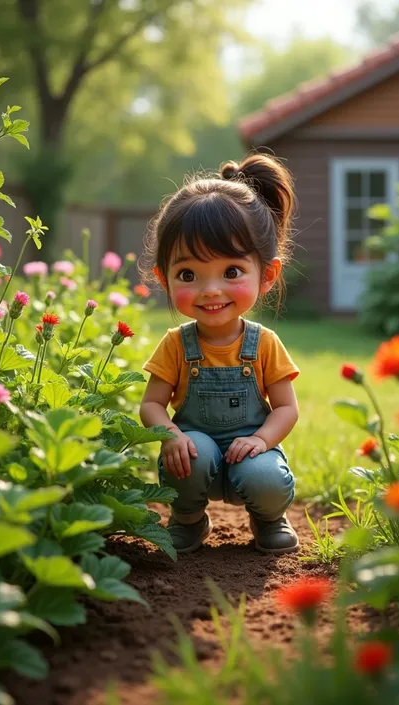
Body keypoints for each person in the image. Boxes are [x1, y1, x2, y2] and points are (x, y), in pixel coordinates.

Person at [139, 153, 300, 555]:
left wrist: (262, 441)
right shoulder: (177, 344)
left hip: (250, 454)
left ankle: (267, 518)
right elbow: (151, 405)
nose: (211, 290)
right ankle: (189, 519)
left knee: (265, 476)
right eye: (189, 275)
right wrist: (170, 435)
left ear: (267, 275)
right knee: (191, 455)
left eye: (231, 272)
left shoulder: (263, 344)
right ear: (164, 278)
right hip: (196, 459)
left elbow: (286, 409)